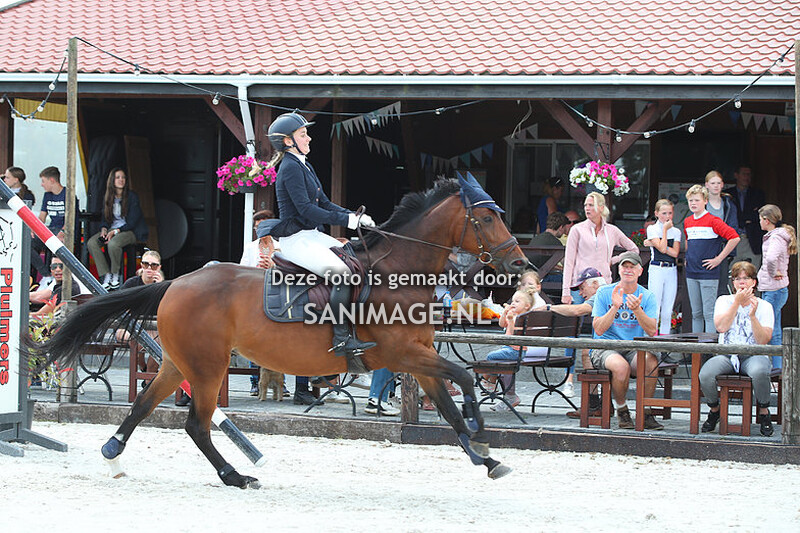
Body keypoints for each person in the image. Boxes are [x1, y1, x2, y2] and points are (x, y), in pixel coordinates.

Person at [265, 111, 377, 400]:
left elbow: (324, 203)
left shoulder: (304, 164)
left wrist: (352, 215)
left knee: (354, 259)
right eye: (303, 134)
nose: (309, 137)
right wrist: (348, 222)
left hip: (311, 234)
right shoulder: (289, 167)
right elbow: (306, 211)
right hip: (296, 239)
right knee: (342, 273)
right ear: (288, 141)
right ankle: (341, 339)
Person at [562, 192, 638, 395]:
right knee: (573, 333)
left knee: (600, 331)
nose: (587, 209)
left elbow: (633, 249)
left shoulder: (611, 231)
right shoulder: (577, 229)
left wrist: (611, 261)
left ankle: (598, 386)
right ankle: (568, 380)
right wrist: (565, 290)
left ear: (601, 207)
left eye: (591, 205)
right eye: (585, 205)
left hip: (603, 286)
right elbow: (568, 260)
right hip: (580, 285)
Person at [699, 261, 775, 437]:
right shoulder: (723, 301)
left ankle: (764, 411)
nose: (742, 282)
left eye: (746, 278)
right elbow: (721, 327)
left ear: (754, 282)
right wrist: (736, 303)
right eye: (738, 278)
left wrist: (753, 316)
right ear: (733, 283)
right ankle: (714, 409)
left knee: (760, 371)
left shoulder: (765, 306)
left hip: (754, 354)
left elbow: (763, 340)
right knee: (706, 374)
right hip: (727, 354)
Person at [590, 251, 662, 430]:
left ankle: (645, 411)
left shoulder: (648, 296)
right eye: (625, 266)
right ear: (619, 269)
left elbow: (652, 330)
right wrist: (615, 307)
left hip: (633, 347)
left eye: (632, 267)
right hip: (606, 346)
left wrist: (637, 310)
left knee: (651, 361)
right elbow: (598, 329)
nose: (628, 270)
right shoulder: (604, 291)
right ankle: (622, 410)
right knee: (621, 367)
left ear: (640, 271)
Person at [535, 267, 606, 419]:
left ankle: (594, 405)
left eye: (582, 288)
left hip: (619, 348)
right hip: (619, 345)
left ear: (595, 284)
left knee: (589, 352)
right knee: (590, 349)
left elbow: (578, 311)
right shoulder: (606, 292)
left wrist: (549, 307)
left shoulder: (601, 293)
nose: (580, 293)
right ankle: (604, 405)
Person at [683, 185, 740, 334]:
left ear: (705, 201)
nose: (693, 203)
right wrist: (687, 257)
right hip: (691, 272)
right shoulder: (687, 221)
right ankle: (696, 353)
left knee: (709, 314)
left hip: (708, 272)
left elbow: (734, 237)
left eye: (696, 200)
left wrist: (719, 259)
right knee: (696, 313)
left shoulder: (713, 220)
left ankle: (708, 352)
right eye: (690, 200)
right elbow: (688, 240)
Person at [86, 167, 148, 290]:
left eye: (123, 177)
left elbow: (132, 222)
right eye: (118, 177)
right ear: (112, 181)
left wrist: (115, 232)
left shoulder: (132, 196)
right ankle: (105, 274)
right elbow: (105, 218)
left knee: (113, 244)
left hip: (129, 231)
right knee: (92, 243)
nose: (121, 180)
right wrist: (104, 228)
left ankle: (115, 274)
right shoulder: (109, 197)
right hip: (112, 230)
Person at [482, 287, 540, 410]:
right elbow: (501, 324)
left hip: (515, 351)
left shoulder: (521, 318)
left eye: (517, 302)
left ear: (527, 306)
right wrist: (505, 314)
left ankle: (488, 382)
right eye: (513, 301)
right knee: (500, 364)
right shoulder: (515, 315)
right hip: (511, 350)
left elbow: (513, 337)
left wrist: (510, 320)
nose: (513, 303)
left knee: (491, 357)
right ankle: (508, 395)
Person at [240, 210, 279, 395]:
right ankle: (255, 381)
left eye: (263, 227)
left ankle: (280, 382)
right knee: (252, 337)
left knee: (277, 338)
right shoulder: (250, 248)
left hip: (276, 295)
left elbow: (291, 272)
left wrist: (273, 266)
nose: (260, 231)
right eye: (257, 228)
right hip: (254, 296)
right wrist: (256, 269)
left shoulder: (280, 246)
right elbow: (241, 271)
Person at [757, 204, 797, 369]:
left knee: (768, 327)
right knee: (774, 327)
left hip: (773, 288)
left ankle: (773, 367)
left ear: (766, 220)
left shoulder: (775, 237)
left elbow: (772, 258)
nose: (759, 222)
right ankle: (777, 368)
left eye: (760, 219)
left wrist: (773, 273)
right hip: (773, 288)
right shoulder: (778, 236)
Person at [643, 199, 681, 335]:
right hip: (657, 269)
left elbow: (674, 252)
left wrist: (655, 243)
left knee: (667, 310)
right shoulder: (652, 228)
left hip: (671, 269)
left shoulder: (676, 231)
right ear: (657, 213)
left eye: (670, 213)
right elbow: (663, 248)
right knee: (655, 307)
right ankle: (652, 338)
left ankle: (665, 340)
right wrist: (664, 231)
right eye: (664, 213)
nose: (667, 216)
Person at [31, 166, 73, 279]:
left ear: (52, 180)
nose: (41, 184)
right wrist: (33, 228)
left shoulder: (68, 194)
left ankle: (57, 274)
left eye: (43, 181)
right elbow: (42, 217)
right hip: (51, 230)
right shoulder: (47, 195)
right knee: (28, 242)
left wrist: (63, 231)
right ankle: (46, 274)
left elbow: (71, 219)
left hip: (63, 231)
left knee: (57, 241)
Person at [704, 170, 741, 295]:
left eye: (718, 183)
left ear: (722, 185)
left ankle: (721, 314)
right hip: (704, 247)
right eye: (712, 183)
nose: (715, 186)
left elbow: (733, 229)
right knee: (704, 283)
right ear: (706, 185)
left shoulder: (729, 205)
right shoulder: (701, 204)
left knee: (722, 285)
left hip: (723, 247)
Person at [724, 165, 765, 269]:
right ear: (736, 175)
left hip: (752, 239)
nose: (747, 177)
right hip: (733, 239)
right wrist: (745, 218)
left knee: (753, 272)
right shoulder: (728, 194)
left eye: (749, 175)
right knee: (732, 272)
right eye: (744, 174)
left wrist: (740, 218)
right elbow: (728, 216)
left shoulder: (757, 193)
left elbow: (759, 214)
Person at [528, 211, 570, 283]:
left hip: (529, 276)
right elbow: (566, 264)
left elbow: (543, 264)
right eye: (564, 228)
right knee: (570, 280)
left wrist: (560, 268)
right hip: (540, 279)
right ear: (560, 227)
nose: (564, 232)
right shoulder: (555, 243)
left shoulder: (536, 238)